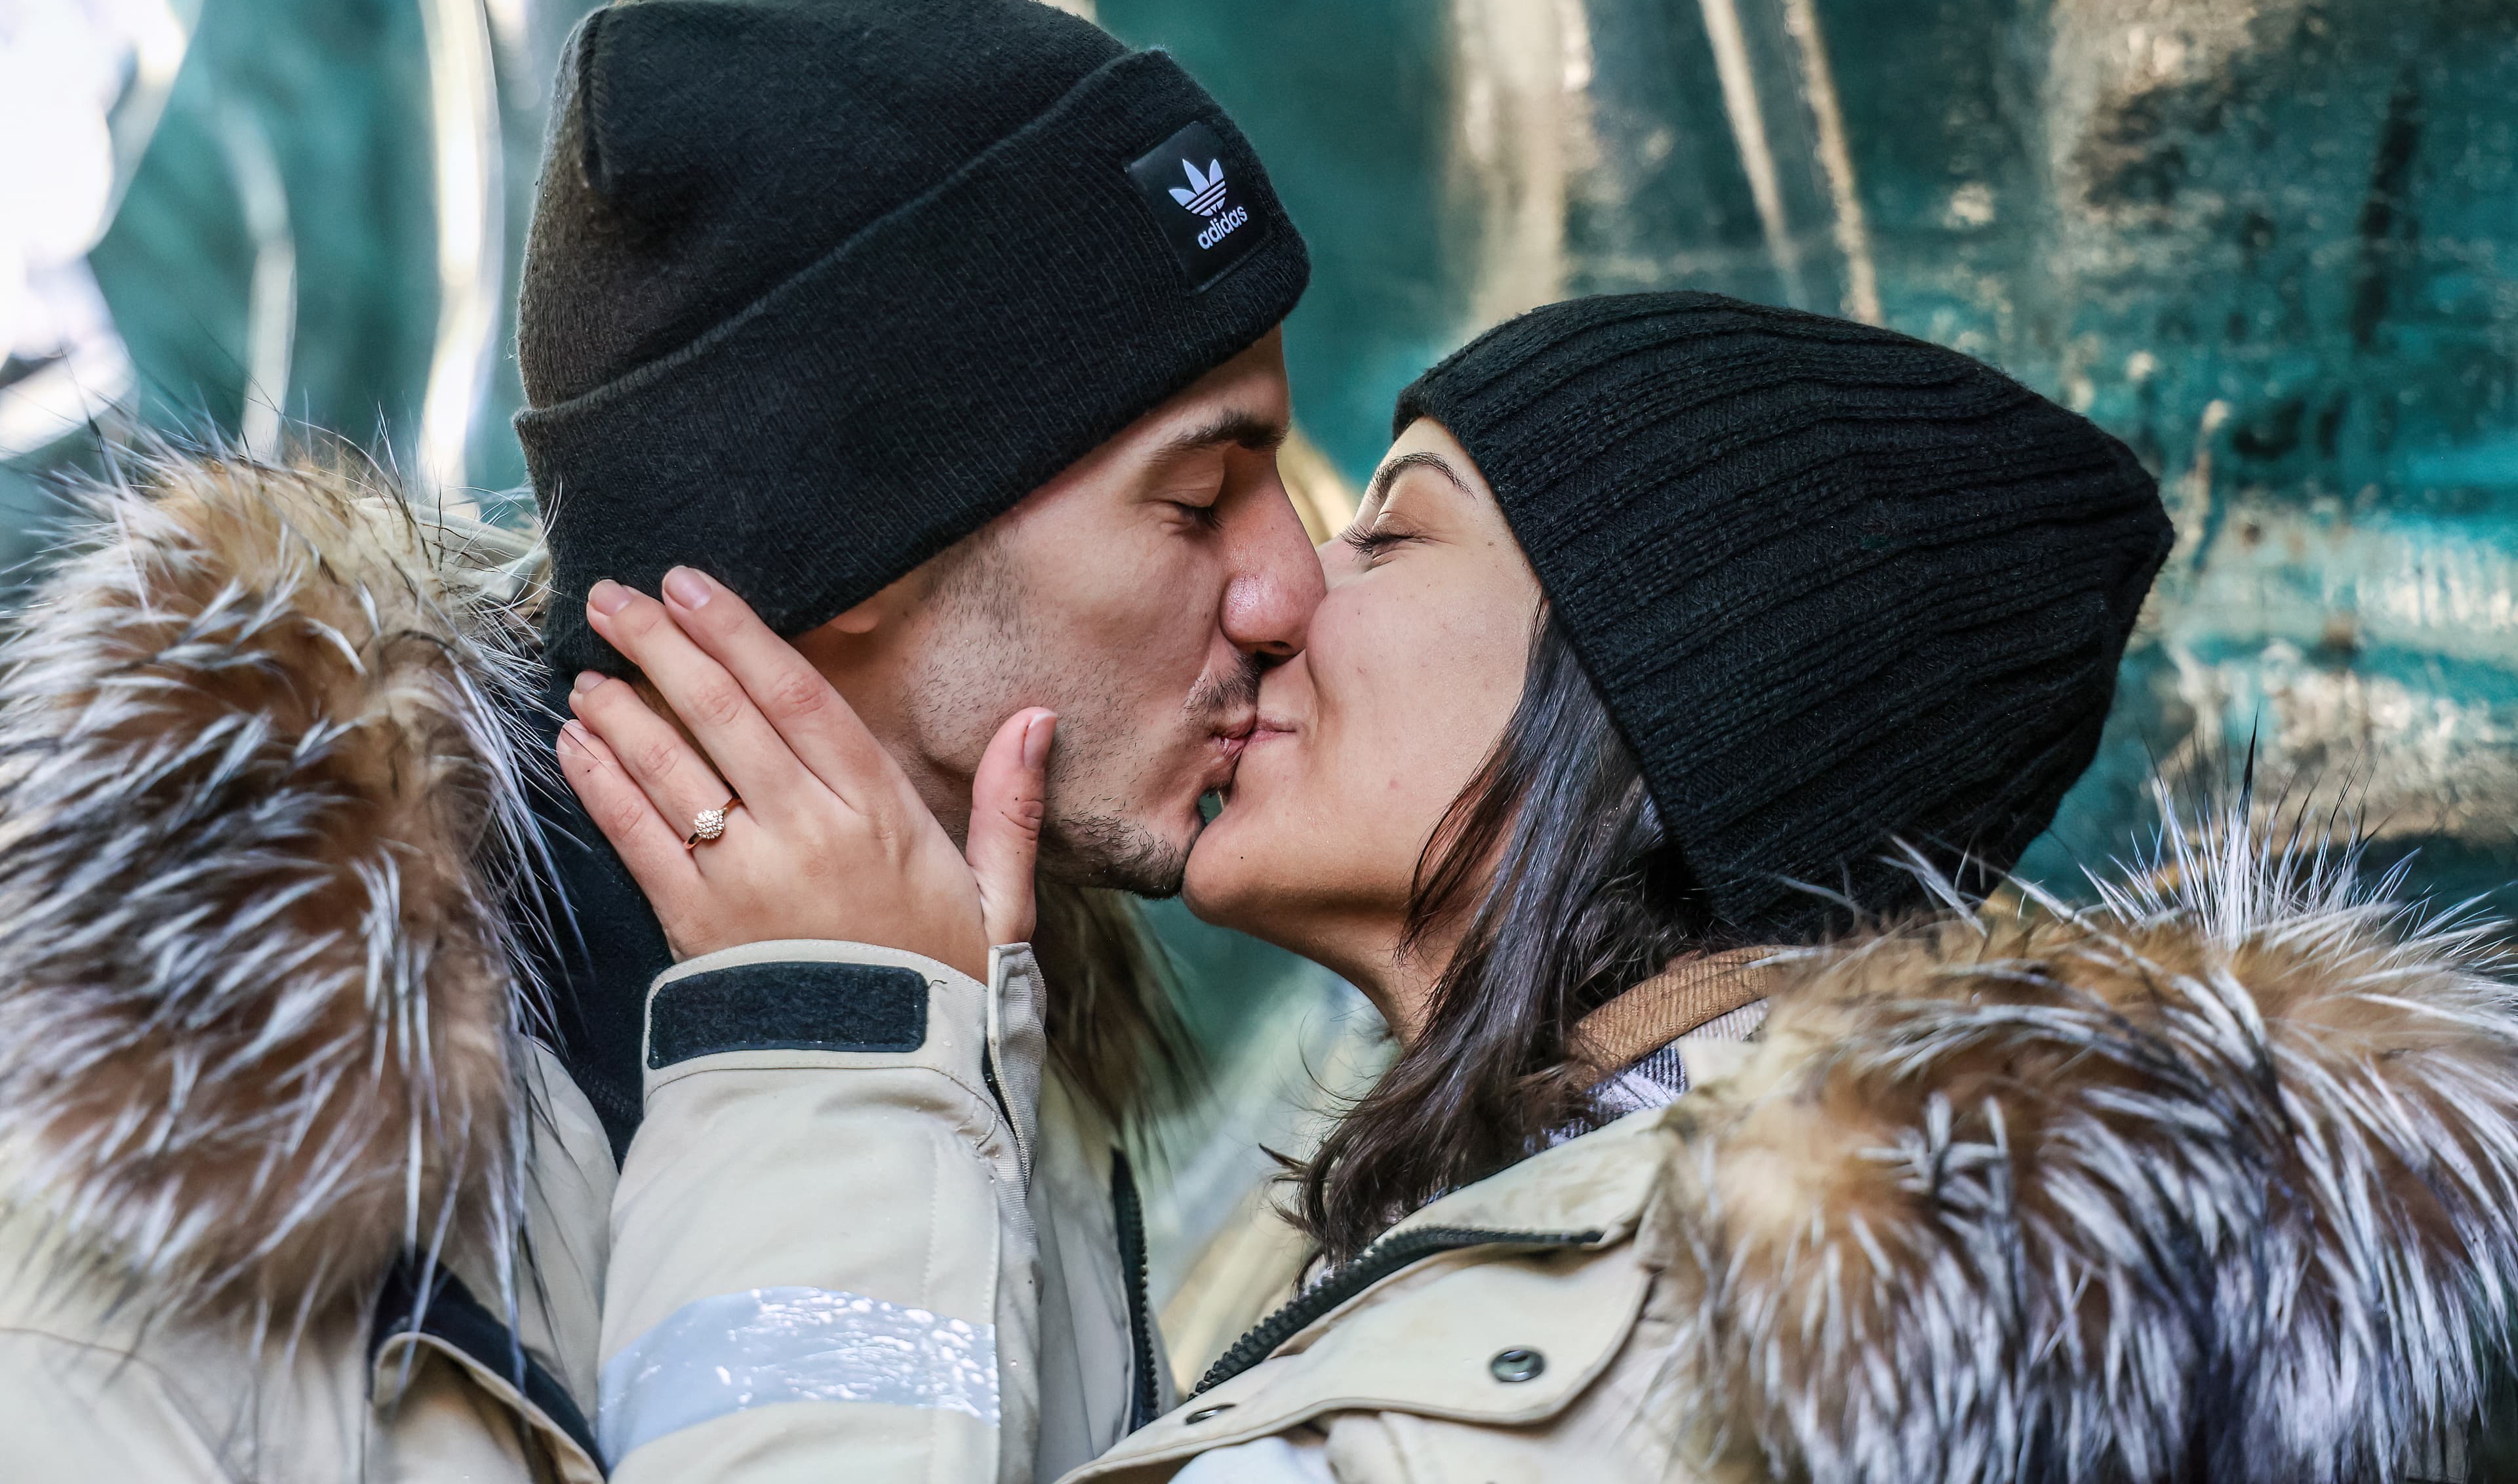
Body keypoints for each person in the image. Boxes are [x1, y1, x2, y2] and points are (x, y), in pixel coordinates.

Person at [564, 291, 2518, 1483]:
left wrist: (824, 1048)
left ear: (1661, 687)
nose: (1284, 596)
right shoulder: (1681, 1296)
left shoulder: (1646, 1359)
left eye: (1395, 529)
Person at [0, 0, 1318, 1483]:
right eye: (1199, 496)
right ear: (853, 536)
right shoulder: (180, 1182)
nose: (1291, 585)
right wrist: (831, 1056)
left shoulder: (1006, 984)